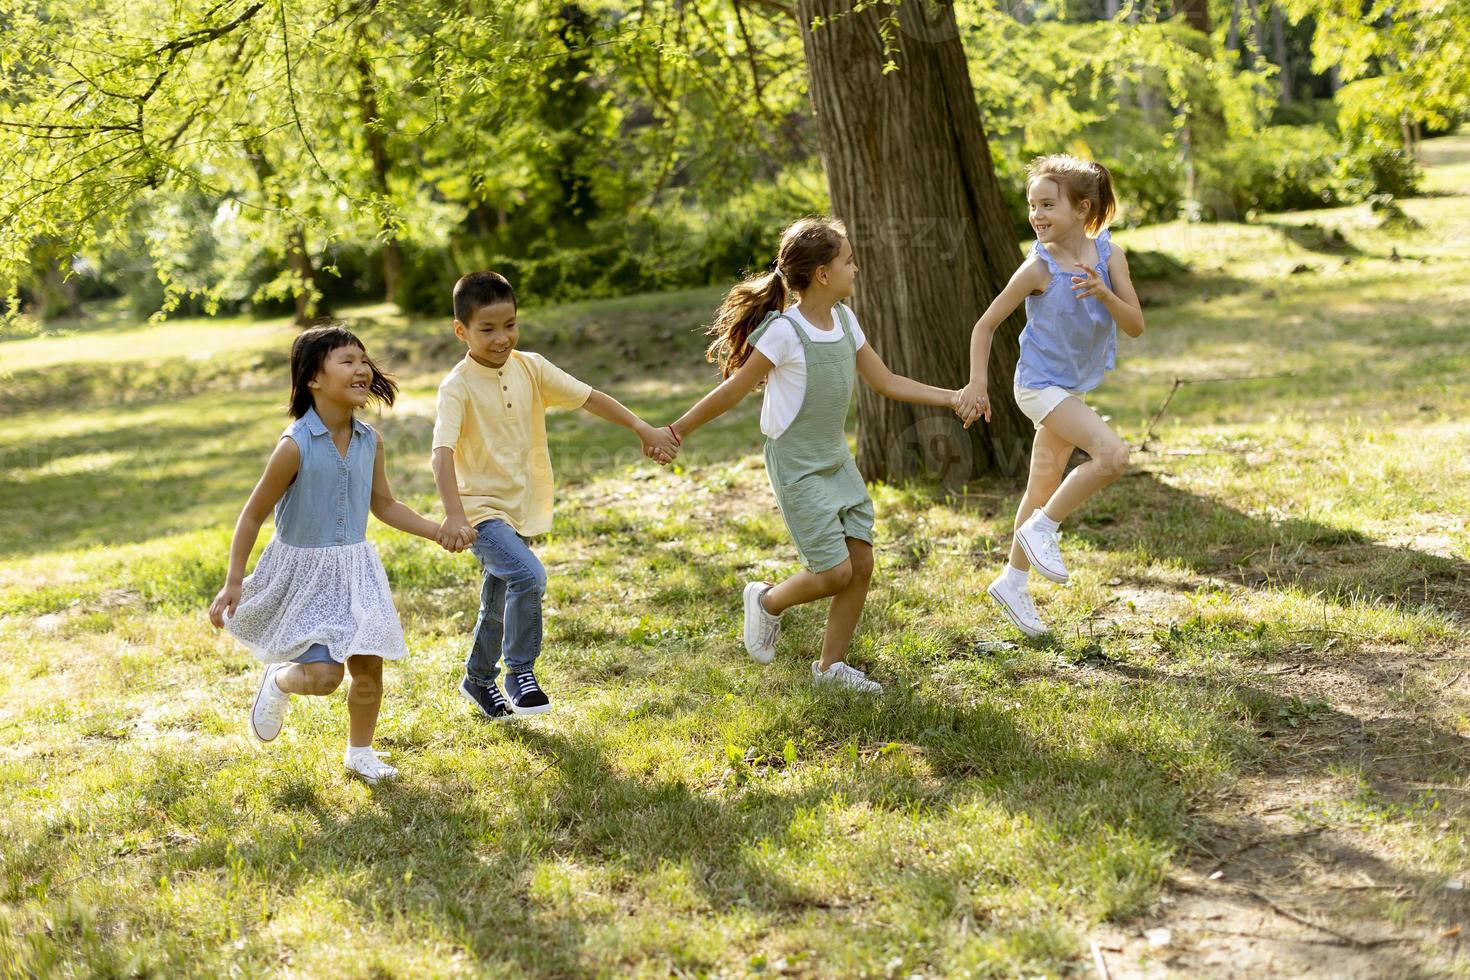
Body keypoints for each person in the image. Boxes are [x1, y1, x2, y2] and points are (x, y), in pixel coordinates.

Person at [665, 217, 973, 693]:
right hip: (796, 465)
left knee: (861, 563)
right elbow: (732, 392)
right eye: (848, 261)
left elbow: (886, 382)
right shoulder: (784, 332)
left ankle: (830, 668)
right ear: (823, 274)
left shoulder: (846, 321)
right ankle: (767, 601)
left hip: (835, 459)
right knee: (832, 572)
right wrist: (677, 430)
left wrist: (952, 397)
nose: (857, 268)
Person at [208, 324, 470, 783]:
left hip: (357, 568)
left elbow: (384, 504)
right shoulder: (294, 446)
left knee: (368, 665)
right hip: (303, 573)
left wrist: (436, 530)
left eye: (363, 360)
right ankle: (279, 680)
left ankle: (360, 752)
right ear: (314, 377)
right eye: (346, 361)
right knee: (325, 677)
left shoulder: (370, 440)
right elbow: (251, 515)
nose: (361, 369)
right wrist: (234, 581)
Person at [433, 271, 680, 718]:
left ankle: (478, 678)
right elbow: (441, 453)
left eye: (509, 324)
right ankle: (519, 672)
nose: (501, 337)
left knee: (499, 598)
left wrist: (642, 428)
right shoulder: (457, 386)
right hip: (479, 513)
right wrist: (454, 515)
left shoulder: (531, 366)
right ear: (461, 331)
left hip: (519, 506)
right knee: (528, 578)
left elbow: (589, 397)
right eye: (486, 329)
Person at [956, 155, 1145, 637]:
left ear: (1082, 209)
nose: (1036, 215)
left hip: (1070, 388)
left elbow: (1136, 326)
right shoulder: (1036, 269)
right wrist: (977, 383)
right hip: (1038, 388)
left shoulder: (1110, 257)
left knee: (1041, 487)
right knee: (1112, 456)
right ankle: (1043, 529)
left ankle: (1012, 581)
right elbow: (984, 325)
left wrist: (1104, 293)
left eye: (1047, 205)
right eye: (1031, 205)